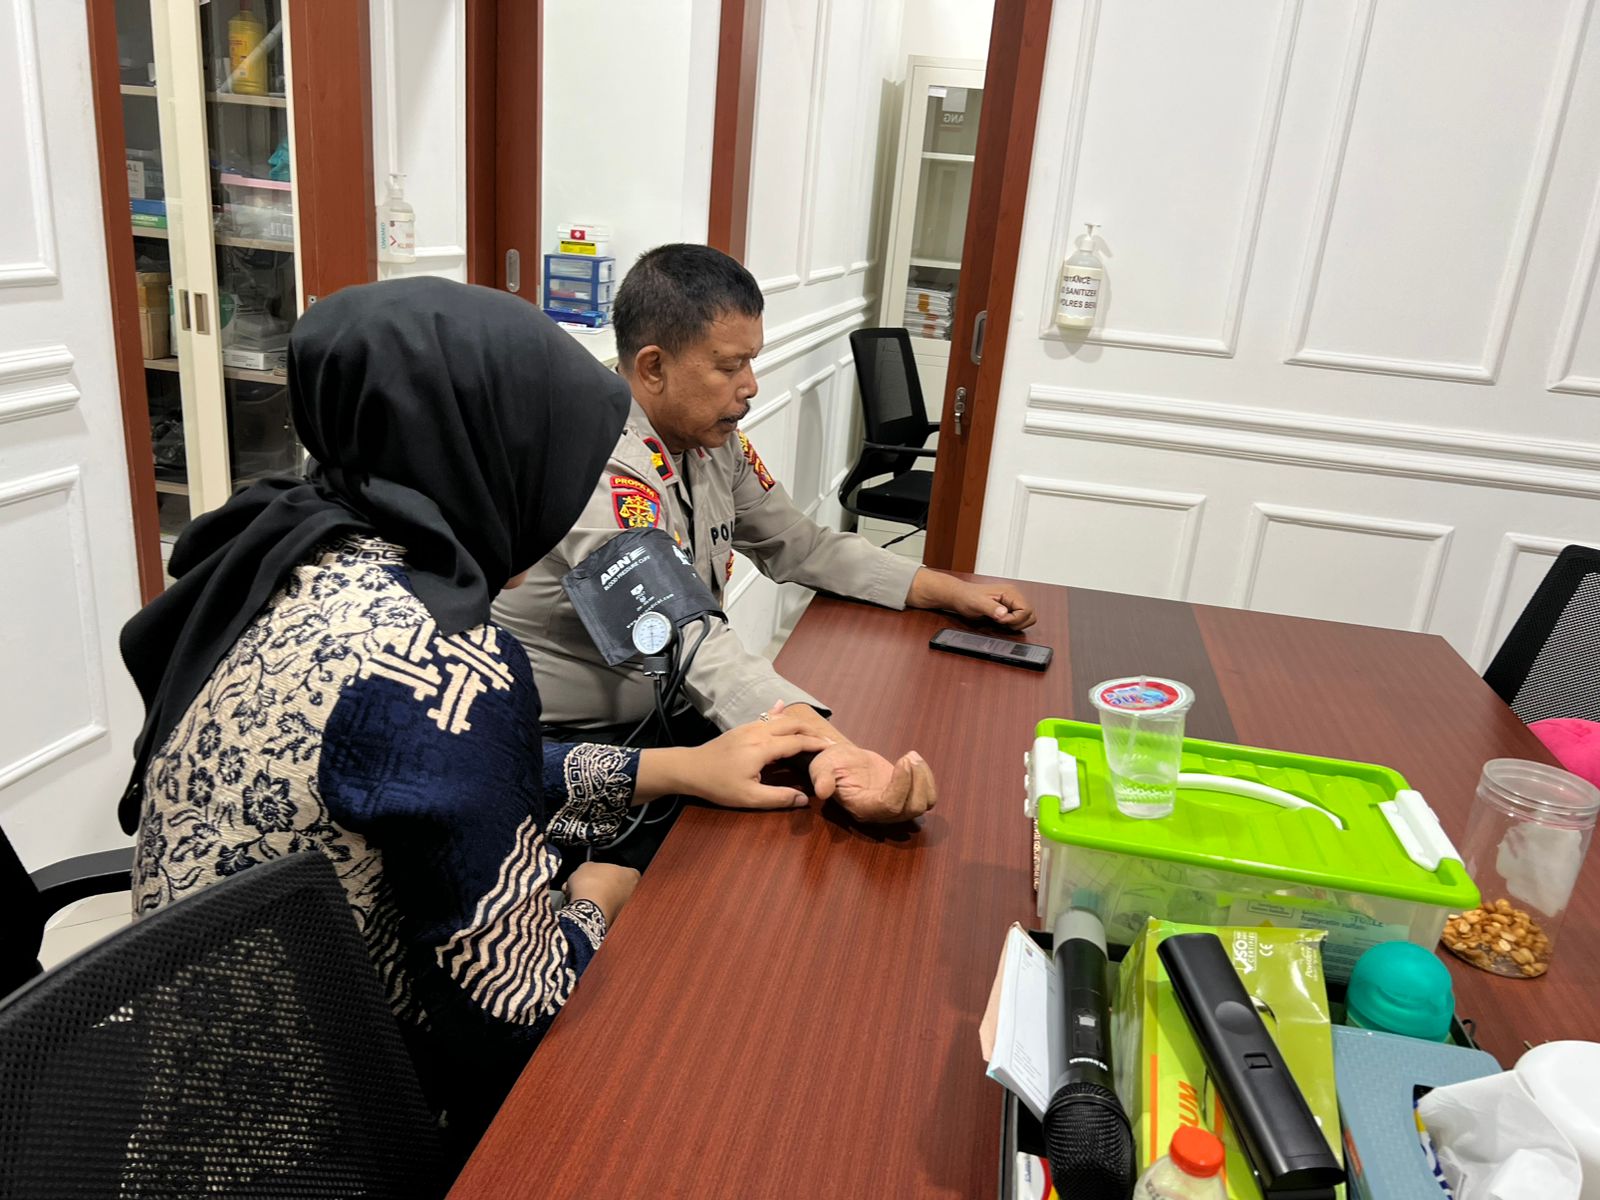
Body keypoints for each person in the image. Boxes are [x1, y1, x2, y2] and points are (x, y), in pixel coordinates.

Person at [117, 277, 832, 1152]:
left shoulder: (290, 555)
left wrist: (671, 769)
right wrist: (597, 901)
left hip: (195, 1074)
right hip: (332, 1130)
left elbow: (411, 777)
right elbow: (516, 1007)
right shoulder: (441, 660)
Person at [493, 244, 1034, 838]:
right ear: (652, 367)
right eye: (729, 367)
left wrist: (945, 590)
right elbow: (685, 638)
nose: (750, 386)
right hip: (578, 751)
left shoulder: (713, 440)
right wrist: (835, 747)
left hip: (675, 714)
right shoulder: (595, 464)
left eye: (751, 362)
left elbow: (799, 544)